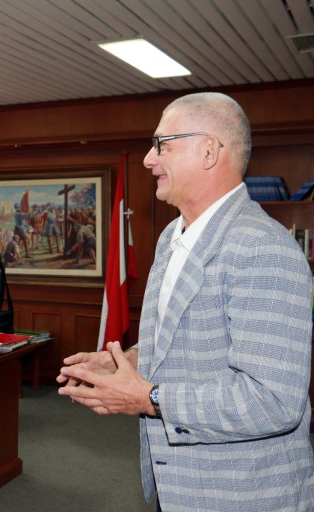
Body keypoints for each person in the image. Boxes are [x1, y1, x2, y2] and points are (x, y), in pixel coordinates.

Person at [57, 92, 314, 511]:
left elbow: (272, 401)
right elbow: (183, 342)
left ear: (209, 151)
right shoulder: (171, 236)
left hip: (241, 495)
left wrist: (148, 398)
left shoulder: (263, 247)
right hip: (177, 485)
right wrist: (128, 362)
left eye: (162, 144)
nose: (148, 159)